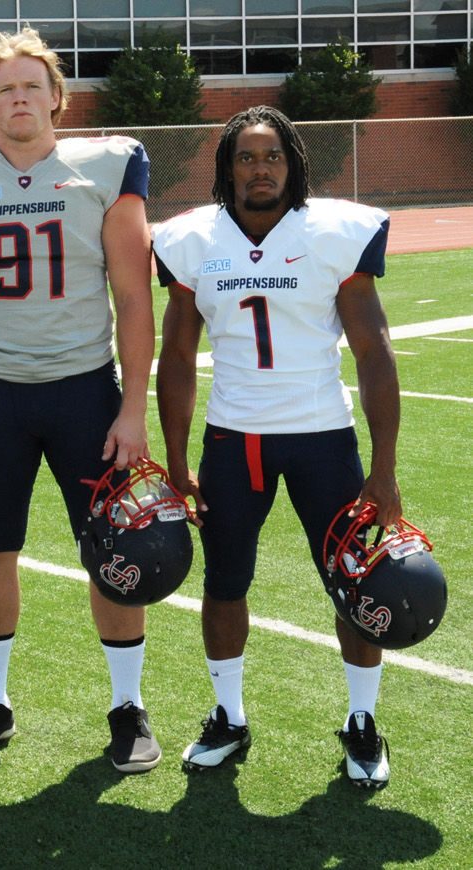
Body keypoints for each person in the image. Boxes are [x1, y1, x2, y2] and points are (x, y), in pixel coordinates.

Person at [0, 27, 161, 772]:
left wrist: (132, 406)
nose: (19, 98)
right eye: (4, 88)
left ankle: (127, 705)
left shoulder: (107, 164)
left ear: (57, 96)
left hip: (86, 391)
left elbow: (131, 293)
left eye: (32, 85)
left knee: (113, 552)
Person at [154, 105, 399, 788]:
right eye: (246, 157)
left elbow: (373, 349)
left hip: (322, 435)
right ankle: (228, 716)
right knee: (225, 580)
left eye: (273, 157)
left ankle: (362, 722)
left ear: (292, 164)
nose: (260, 168)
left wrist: (384, 468)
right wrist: (176, 460)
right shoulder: (191, 240)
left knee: (353, 585)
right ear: (226, 168)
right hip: (236, 440)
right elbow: (176, 355)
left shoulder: (333, 233)